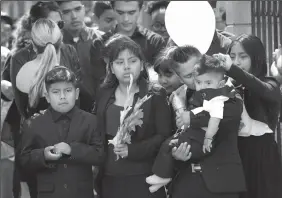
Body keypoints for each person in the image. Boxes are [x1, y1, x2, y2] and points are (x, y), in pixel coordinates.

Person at [147, 54, 243, 193]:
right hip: (186, 183)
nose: (200, 83)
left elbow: (222, 118)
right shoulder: (176, 98)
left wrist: (190, 119)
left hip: (220, 184)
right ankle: (162, 175)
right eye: (190, 76)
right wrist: (177, 157)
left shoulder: (230, 95)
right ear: (180, 78)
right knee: (170, 144)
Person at [93, 34, 172, 198]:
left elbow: (164, 136)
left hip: (143, 176)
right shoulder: (103, 94)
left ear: (142, 65)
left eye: (133, 61)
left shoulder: (155, 95)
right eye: (120, 63)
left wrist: (133, 150)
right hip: (109, 177)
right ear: (111, 68)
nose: (126, 67)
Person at [11, 18, 81, 198]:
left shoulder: (21, 73)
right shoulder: (68, 77)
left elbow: (22, 111)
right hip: (66, 153)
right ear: (60, 43)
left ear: (33, 45)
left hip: (34, 153)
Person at [18, 66, 104, 198]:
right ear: (47, 96)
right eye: (56, 92)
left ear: (76, 93)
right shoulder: (33, 123)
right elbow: (23, 160)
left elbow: (100, 155)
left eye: (68, 91)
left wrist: (72, 150)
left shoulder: (90, 121)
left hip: (81, 193)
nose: (62, 97)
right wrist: (43, 155)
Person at [220, 34, 282, 198]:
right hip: (234, 152)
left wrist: (233, 70)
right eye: (232, 57)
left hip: (262, 155)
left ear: (256, 58)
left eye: (243, 56)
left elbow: (259, 87)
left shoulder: (270, 84)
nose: (237, 62)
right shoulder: (226, 85)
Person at [90, 1, 166, 100]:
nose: (126, 19)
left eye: (131, 12)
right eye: (120, 13)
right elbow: (102, 85)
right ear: (113, 10)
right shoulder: (100, 44)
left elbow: (162, 80)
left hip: (149, 103)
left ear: (140, 10)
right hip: (113, 104)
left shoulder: (155, 41)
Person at [57, 1, 104, 111]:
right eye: (66, 12)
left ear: (84, 9)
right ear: (59, 15)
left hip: (100, 112)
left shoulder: (104, 40)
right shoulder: (53, 45)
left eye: (77, 9)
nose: (74, 16)